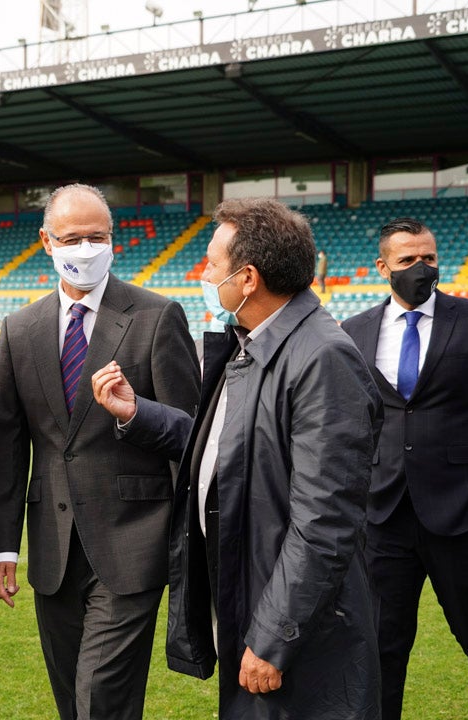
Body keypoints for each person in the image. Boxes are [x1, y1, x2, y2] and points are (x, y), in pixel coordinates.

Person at [92, 197, 383, 719]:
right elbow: (232, 451)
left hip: (296, 630)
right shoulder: (255, 343)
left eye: (212, 264)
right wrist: (139, 414)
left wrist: (273, 634)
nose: (203, 274)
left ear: (247, 279)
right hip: (252, 597)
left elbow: (325, 522)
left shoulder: (322, 357)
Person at [0, 183, 200, 720]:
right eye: (72, 237)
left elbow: (191, 435)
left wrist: (134, 414)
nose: (86, 248)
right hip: (52, 549)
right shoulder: (19, 329)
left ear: (113, 239)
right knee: (71, 701)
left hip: (134, 541)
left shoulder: (157, 315)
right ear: (46, 242)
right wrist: (3, 548)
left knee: (101, 697)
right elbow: (7, 450)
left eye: (97, 236)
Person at [340, 217, 468, 720]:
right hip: (383, 517)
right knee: (382, 645)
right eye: (407, 260)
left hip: (463, 514)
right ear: (383, 267)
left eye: (429, 257)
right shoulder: (354, 331)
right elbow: (348, 422)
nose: (421, 268)